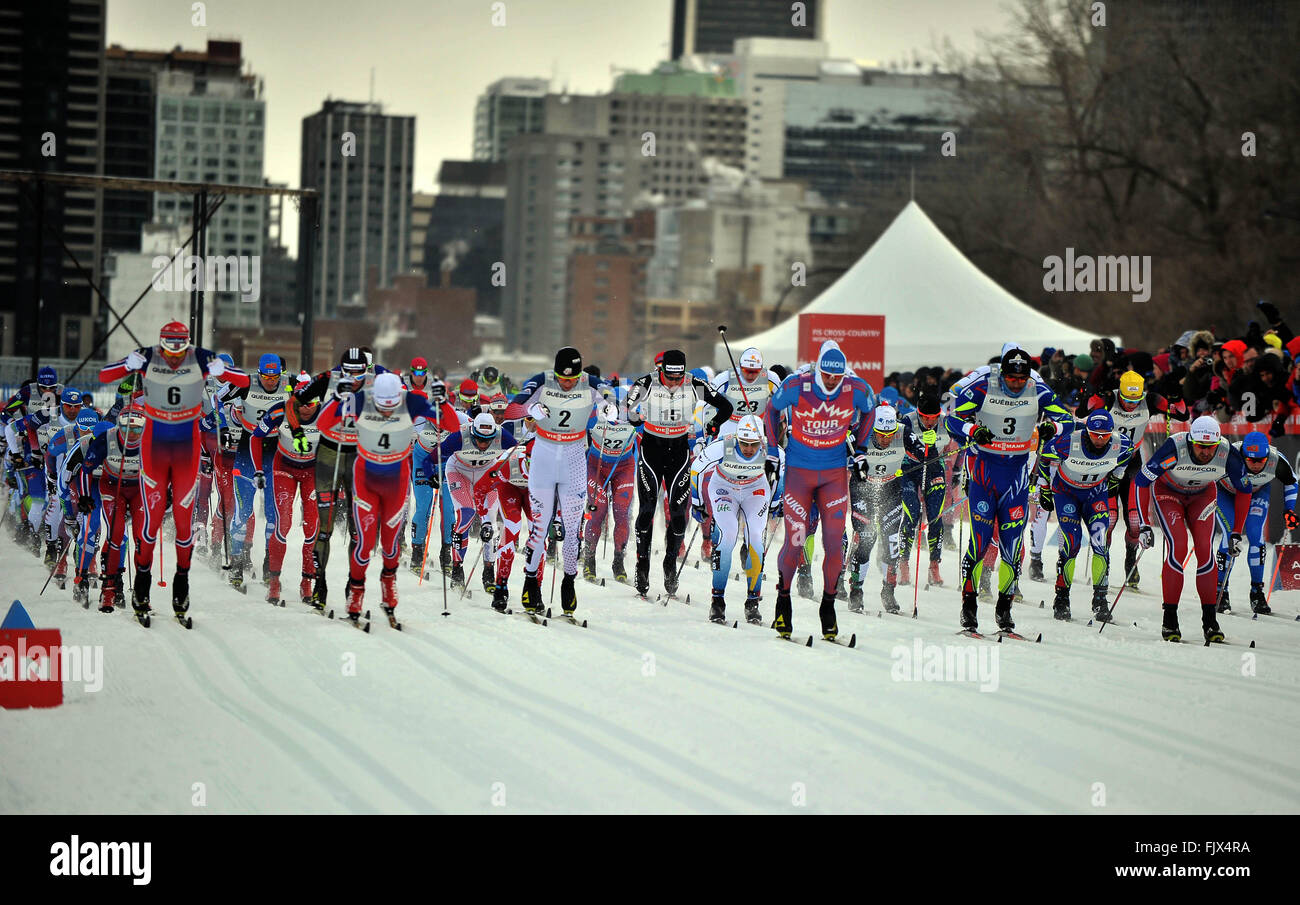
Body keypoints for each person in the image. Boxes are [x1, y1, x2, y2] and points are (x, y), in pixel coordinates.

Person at [99, 321, 250, 624]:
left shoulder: (201, 357)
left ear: (188, 343)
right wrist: (127, 364)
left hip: (186, 453)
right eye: (169, 345)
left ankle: (181, 586)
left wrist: (223, 371)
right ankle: (142, 588)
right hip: (154, 453)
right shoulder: (148, 355)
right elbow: (104, 376)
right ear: (161, 342)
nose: (174, 353)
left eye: (180, 346)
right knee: (150, 525)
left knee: (184, 526)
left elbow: (243, 381)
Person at [945, 347, 1071, 633]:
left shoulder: (1038, 390)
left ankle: (1004, 608)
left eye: (1021, 378)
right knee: (978, 543)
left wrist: (1054, 430)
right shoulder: (983, 386)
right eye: (1011, 378)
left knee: (1011, 546)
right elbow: (951, 419)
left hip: (1015, 475)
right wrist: (971, 431)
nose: (1016, 383)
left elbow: (1066, 419)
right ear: (1002, 374)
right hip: (983, 472)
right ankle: (969, 606)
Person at [314, 372, 456, 625]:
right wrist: (337, 399)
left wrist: (442, 402)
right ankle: (356, 593)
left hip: (396, 480)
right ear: (374, 397)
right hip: (365, 479)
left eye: (392, 408)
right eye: (382, 407)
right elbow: (323, 425)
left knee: (391, 546)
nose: (388, 413)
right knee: (365, 544)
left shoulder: (411, 401)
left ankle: (388, 584)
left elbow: (453, 427)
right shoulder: (360, 399)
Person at [766, 340, 876, 640]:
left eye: (836, 377)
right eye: (827, 375)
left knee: (834, 543)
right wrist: (773, 451)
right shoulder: (797, 384)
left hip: (833, 476)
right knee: (796, 540)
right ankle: (783, 600)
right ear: (818, 369)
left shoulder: (855, 387)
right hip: (799, 476)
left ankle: (828, 605)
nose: (831, 382)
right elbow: (771, 409)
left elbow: (870, 410)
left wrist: (861, 449)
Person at [504, 347, 617, 615]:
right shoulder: (542, 380)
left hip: (575, 458)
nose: (567, 384)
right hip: (543, 455)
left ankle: (569, 581)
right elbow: (510, 410)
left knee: (570, 528)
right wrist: (530, 409)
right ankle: (531, 582)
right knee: (539, 527)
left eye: (572, 378)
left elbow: (616, 399)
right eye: (562, 378)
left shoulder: (590, 383)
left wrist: (609, 408)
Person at [1135, 416, 1254, 642]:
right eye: (1201, 446)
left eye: (1211, 447)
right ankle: (1170, 619)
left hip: (1203, 495)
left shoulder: (1226, 452)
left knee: (1204, 550)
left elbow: (1245, 490)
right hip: (1168, 493)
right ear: (1191, 441)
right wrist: (1144, 524)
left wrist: (1236, 531)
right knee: (1178, 546)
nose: (1206, 452)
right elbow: (1142, 480)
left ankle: (1210, 621)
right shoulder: (1175, 447)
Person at [625, 349, 733, 598]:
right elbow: (627, 407)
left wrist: (713, 425)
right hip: (652, 450)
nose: (674, 383)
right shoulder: (648, 382)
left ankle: (670, 564)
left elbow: (726, 406)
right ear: (661, 371)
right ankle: (642, 566)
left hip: (679, 453)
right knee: (647, 509)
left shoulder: (694, 384)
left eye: (678, 378)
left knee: (677, 515)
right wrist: (634, 418)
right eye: (669, 378)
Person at [1035, 409, 1134, 621]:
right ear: (1086, 431)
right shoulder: (1069, 442)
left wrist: (1116, 478)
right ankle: (1061, 598)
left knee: (1100, 543)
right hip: (1066, 493)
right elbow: (1044, 457)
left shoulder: (1121, 443)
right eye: (1095, 434)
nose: (1100, 440)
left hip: (1095, 494)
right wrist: (1044, 488)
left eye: (1105, 435)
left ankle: (1100, 600)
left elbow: (1128, 454)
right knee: (1072, 544)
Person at [693, 414, 783, 625]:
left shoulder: (771, 449)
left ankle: (752, 602)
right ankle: (717, 601)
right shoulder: (724, 445)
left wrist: (778, 499)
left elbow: (782, 472)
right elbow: (696, 468)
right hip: (724, 488)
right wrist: (697, 502)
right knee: (728, 535)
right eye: (744, 443)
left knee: (756, 539)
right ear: (737, 438)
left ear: (761, 440)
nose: (749, 449)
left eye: (753, 444)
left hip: (755, 489)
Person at [846, 404, 927, 614]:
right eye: (881, 435)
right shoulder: (860, 432)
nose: (886, 439)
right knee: (866, 538)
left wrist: (926, 451)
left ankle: (888, 590)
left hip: (890, 488)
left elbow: (923, 453)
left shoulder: (903, 432)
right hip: (863, 487)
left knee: (892, 542)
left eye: (890, 434)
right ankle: (856, 590)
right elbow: (837, 451)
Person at [1213, 430, 1298, 615]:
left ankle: (1256, 591)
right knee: (1230, 536)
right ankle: (1220, 590)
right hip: (1226, 493)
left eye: (1261, 460)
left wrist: (1289, 509)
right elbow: (1209, 476)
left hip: (1256, 493)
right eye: (1252, 460)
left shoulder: (1276, 459)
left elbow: (1292, 482)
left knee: (1255, 535)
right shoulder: (1229, 455)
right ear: (1243, 455)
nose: (1257, 465)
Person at [255, 392, 324, 606]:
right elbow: (256, 436)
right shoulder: (280, 410)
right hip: (284, 468)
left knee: (312, 527)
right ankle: (274, 582)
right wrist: (258, 470)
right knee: (282, 523)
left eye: (311, 403)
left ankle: (307, 582)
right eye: (301, 404)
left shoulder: (326, 414)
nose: (305, 409)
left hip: (312, 471)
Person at [226, 353, 288, 586]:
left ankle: (268, 563)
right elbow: (219, 398)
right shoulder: (247, 383)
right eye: (265, 376)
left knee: (273, 514)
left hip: (275, 453)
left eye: (275, 376)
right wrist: (226, 419)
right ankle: (237, 561)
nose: (270, 381)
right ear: (258, 372)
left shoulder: (288, 384)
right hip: (246, 451)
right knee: (243, 511)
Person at [82, 405, 145, 612]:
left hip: (138, 491)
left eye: (137, 429)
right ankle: (108, 590)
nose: (132, 434)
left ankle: (141, 592)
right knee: (116, 534)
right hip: (112, 488)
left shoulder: (150, 440)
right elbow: (86, 470)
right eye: (127, 429)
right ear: (119, 426)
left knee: (142, 538)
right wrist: (84, 496)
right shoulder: (106, 439)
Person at [896, 393, 953, 588]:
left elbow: (953, 447)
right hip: (909, 469)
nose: (929, 421)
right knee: (912, 514)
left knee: (936, 517)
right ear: (918, 413)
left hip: (934, 469)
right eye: (925, 417)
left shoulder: (946, 423)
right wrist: (923, 447)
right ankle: (903, 563)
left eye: (933, 417)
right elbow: (898, 444)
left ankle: (934, 566)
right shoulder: (907, 420)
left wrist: (959, 472)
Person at [583, 389, 637, 584]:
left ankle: (618, 561)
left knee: (621, 512)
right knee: (598, 512)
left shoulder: (631, 418)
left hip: (623, 467)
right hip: (596, 467)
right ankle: (589, 559)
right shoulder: (593, 417)